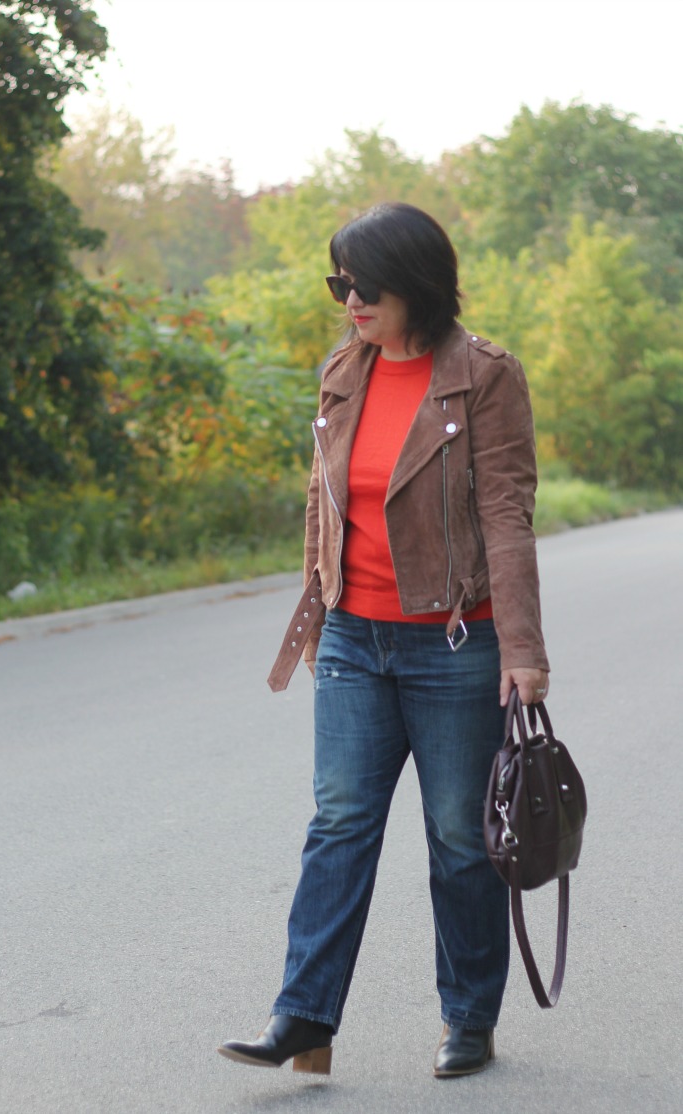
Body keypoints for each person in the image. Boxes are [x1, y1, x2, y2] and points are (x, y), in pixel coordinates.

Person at [217, 202, 550, 1079]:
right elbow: (322, 503)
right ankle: (302, 1015)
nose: (350, 299)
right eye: (340, 283)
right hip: (353, 641)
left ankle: (469, 1018)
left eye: (364, 283)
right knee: (339, 823)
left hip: (453, 646)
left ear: (419, 283)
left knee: (455, 836)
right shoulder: (343, 369)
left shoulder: (483, 375)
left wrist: (523, 652)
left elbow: (506, 517)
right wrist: (317, 604)